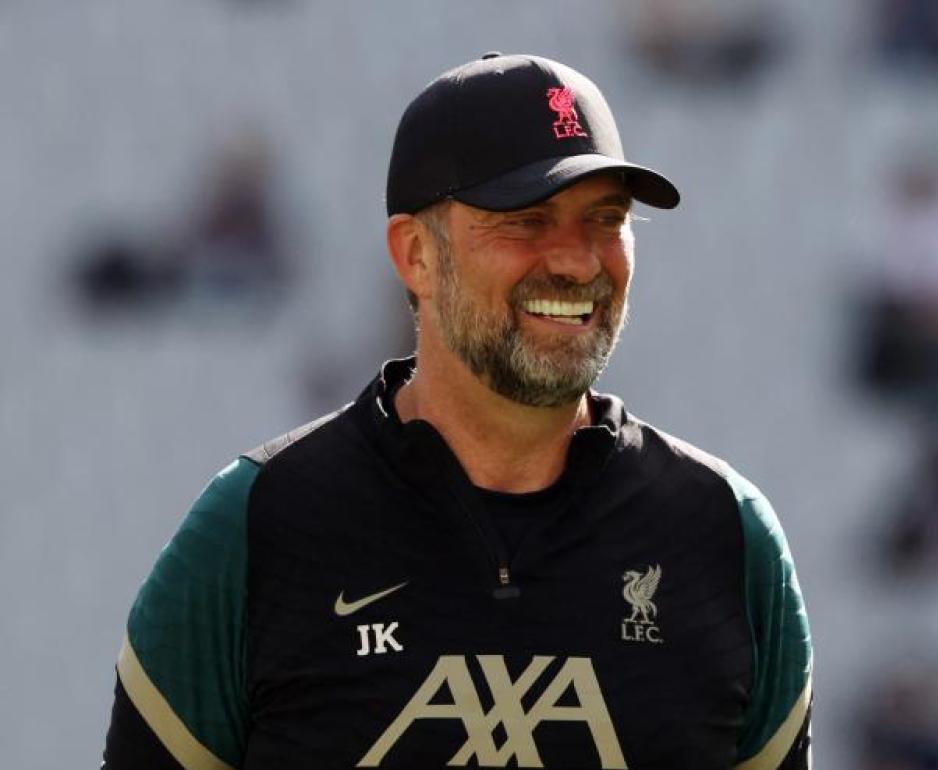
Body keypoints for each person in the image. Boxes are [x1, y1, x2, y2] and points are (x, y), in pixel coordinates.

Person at [101, 52, 813, 769]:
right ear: (415, 256)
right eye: (528, 220)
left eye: (606, 219)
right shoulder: (255, 526)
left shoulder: (726, 535)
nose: (577, 261)